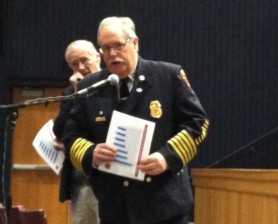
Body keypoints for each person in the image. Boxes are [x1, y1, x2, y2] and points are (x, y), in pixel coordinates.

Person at [62, 17, 209, 224]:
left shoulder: (167, 75)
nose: (112, 53)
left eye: (119, 45)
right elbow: (71, 137)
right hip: (115, 206)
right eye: (106, 48)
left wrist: (166, 157)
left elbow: (198, 123)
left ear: (135, 43)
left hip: (164, 204)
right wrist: (91, 153)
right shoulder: (91, 86)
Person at [53, 40, 101, 224]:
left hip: (106, 180)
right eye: (75, 64)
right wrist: (76, 93)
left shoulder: (113, 86)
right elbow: (59, 130)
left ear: (98, 58)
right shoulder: (70, 92)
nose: (81, 67)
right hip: (80, 181)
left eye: (85, 60)